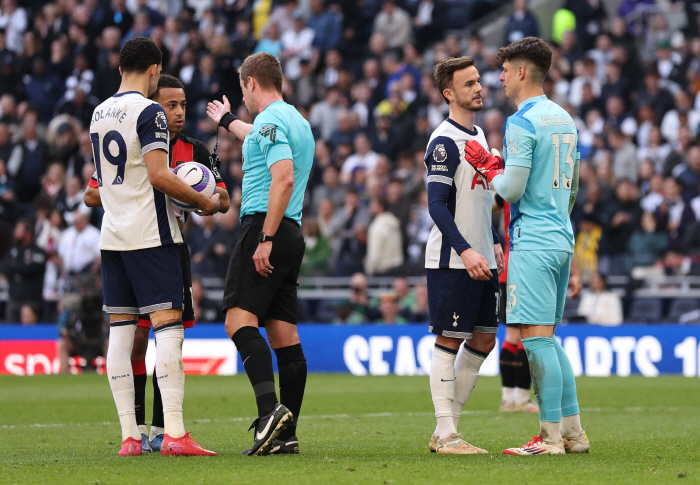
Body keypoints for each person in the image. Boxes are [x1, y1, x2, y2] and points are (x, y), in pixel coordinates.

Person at [84, 74, 230, 452]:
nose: (178, 112)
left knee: (165, 337)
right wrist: (160, 191)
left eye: (182, 104)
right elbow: (91, 193)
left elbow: (224, 198)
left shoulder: (195, 149)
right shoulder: (143, 130)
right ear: (155, 105)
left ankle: (157, 431)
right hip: (149, 241)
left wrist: (198, 194)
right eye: (171, 104)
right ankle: (145, 431)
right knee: (139, 339)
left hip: (166, 247)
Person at [466, 36, 589, 455]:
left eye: (504, 69)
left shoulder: (522, 121)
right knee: (549, 339)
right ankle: (573, 433)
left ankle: (549, 437)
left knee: (535, 341)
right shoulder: (566, 119)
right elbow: (572, 190)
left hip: (533, 240)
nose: (498, 77)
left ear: (521, 71)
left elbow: (513, 190)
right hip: (561, 235)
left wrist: (490, 167)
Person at [206, 52, 313, 456]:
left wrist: (264, 237)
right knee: (283, 333)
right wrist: (228, 120)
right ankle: (286, 436)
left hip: (264, 226)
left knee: (237, 321)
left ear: (251, 83)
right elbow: (256, 135)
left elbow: (282, 177)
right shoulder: (296, 121)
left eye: (242, 90)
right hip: (292, 232)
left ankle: (269, 414)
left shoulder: (269, 121)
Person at [423, 56, 505, 455]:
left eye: (479, 81)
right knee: (449, 339)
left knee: (485, 340)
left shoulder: (480, 140)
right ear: (449, 94)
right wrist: (467, 249)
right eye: (469, 83)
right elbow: (437, 205)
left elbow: (479, 201)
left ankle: (446, 430)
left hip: (481, 256)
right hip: (454, 260)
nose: (479, 88)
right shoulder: (444, 141)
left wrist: (494, 240)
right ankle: (447, 432)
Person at [0, 219, 45, 322]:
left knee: (28, 331)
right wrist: (19, 267)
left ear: (28, 233)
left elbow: (29, 270)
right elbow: (4, 268)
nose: (15, 231)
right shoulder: (13, 249)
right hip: (14, 298)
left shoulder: (37, 251)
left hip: (31, 300)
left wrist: (15, 266)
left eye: (18, 229)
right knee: (10, 331)